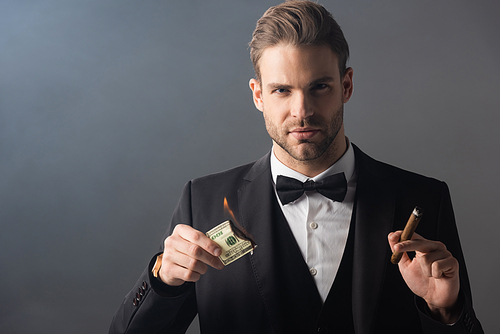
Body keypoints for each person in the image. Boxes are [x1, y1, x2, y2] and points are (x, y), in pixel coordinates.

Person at [109, 1, 483, 333]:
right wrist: (163, 280)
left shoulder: (424, 198)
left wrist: (445, 310)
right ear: (258, 95)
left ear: (346, 85)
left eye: (319, 87)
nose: (301, 110)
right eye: (282, 90)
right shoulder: (202, 200)